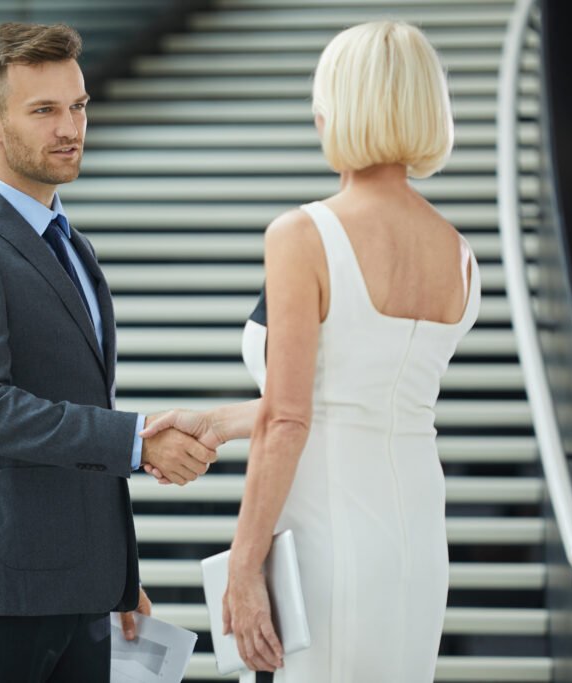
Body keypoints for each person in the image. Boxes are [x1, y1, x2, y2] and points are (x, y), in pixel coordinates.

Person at [142, 20, 480, 681]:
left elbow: (293, 416)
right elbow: (354, 394)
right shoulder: (459, 254)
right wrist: (219, 421)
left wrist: (244, 561)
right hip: (415, 536)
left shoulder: (303, 234)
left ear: (344, 106)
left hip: (329, 536)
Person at [0, 22, 217, 682]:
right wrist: (136, 441)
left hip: (81, 593)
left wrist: (115, 574)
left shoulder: (71, 246)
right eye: (43, 110)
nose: (69, 127)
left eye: (77, 106)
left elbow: (76, 404)